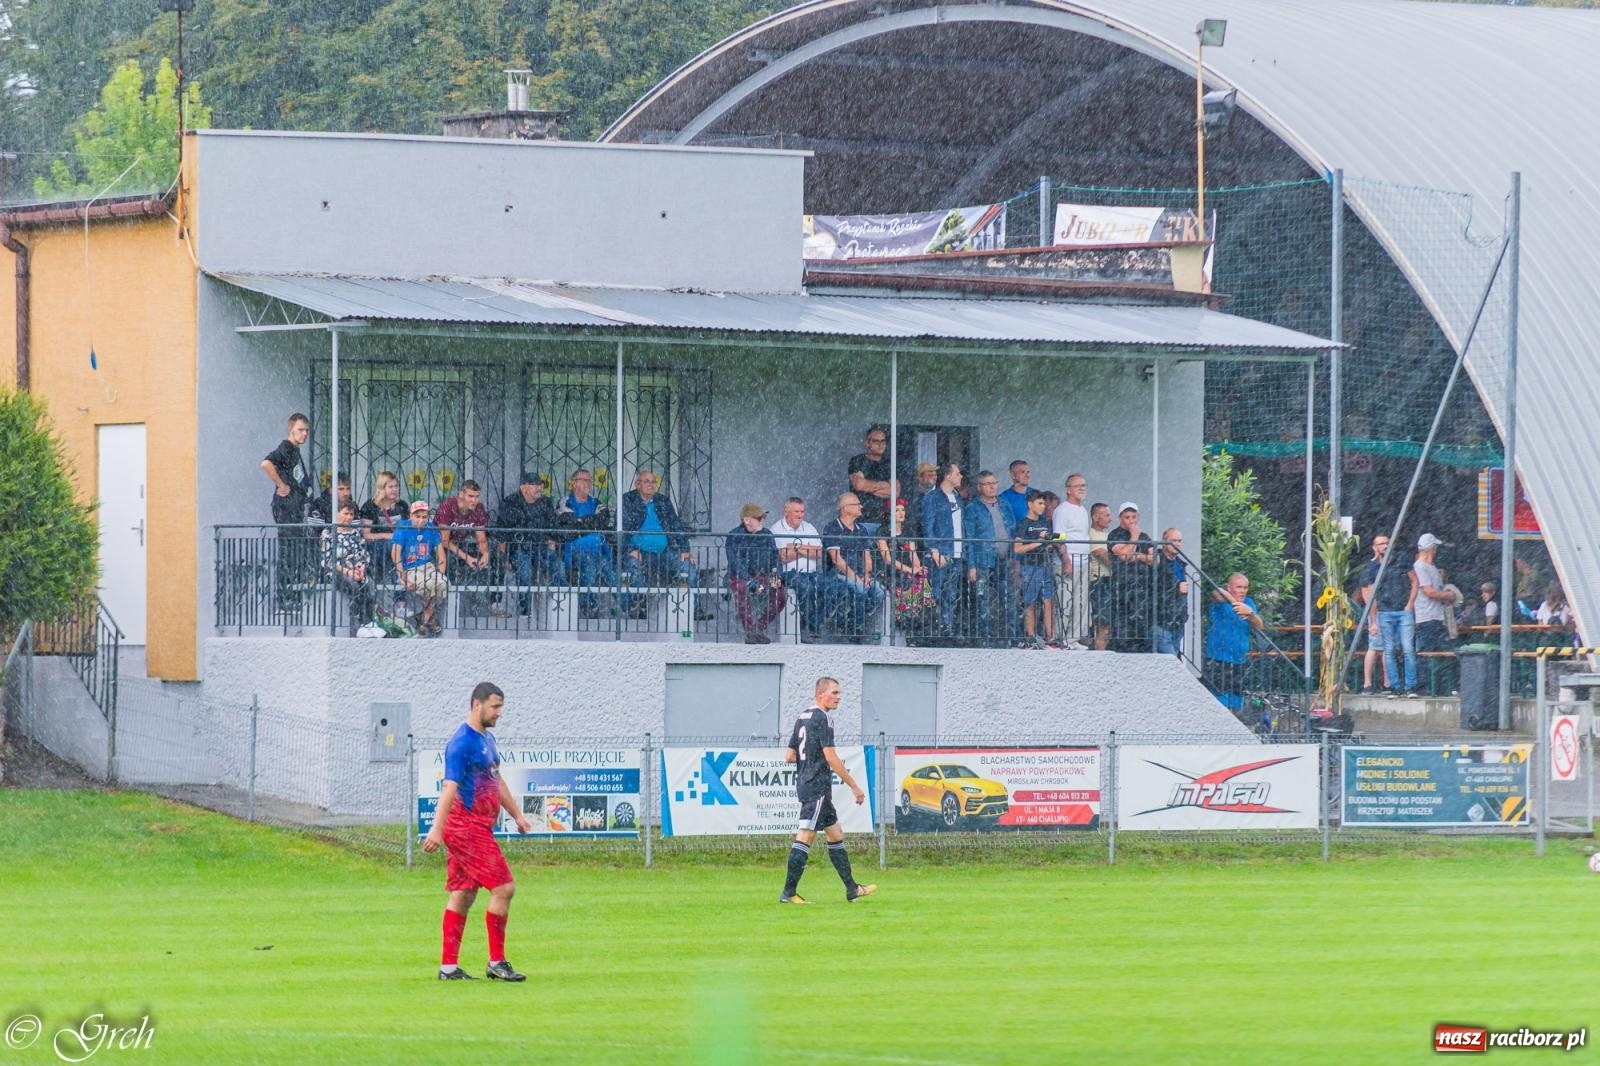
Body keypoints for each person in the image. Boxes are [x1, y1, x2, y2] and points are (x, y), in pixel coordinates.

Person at [423, 682, 533, 981]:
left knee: (464, 893)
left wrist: (518, 816)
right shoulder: (461, 743)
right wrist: (436, 828)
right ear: (477, 704)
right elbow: (449, 787)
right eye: (495, 707)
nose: (499, 713)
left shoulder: (487, 739)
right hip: (466, 828)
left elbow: (496, 782)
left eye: (501, 707)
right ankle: (496, 962)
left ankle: (448, 968)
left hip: (477, 826)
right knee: (504, 888)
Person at [778, 677, 876, 905]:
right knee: (806, 835)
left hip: (807, 782)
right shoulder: (824, 718)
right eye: (834, 692)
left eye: (839, 693)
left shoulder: (802, 716)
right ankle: (788, 893)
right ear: (821, 694)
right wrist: (854, 786)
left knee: (835, 834)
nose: (838, 697)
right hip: (817, 786)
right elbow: (831, 757)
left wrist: (809, 762)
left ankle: (852, 889)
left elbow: (790, 756)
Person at [621, 470, 696, 617]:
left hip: (664, 551)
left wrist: (684, 549)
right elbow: (622, 527)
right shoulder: (628, 500)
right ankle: (638, 607)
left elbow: (676, 525)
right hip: (639, 551)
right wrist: (631, 548)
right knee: (633, 568)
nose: (651, 485)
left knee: (687, 566)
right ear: (638, 484)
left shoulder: (663, 501)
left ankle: (691, 608)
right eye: (647, 481)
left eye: (653, 482)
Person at [261, 413, 315, 611]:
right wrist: (281, 484)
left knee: (295, 552)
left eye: (307, 430)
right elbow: (266, 463)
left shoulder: (295, 451)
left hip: (295, 507)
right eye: (301, 430)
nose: (304, 434)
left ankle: (292, 595)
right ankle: (285, 598)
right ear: (291, 429)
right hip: (286, 508)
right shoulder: (286, 447)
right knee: (288, 551)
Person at [493, 473, 562, 618]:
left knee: (557, 566)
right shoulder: (510, 503)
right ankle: (525, 611)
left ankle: (561, 608)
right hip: (518, 547)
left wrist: (551, 546)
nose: (539, 488)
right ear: (523, 487)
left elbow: (553, 528)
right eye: (535, 484)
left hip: (540, 547)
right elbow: (502, 533)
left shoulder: (545, 502)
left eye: (540, 484)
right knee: (525, 572)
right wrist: (505, 559)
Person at [821, 493, 884, 643]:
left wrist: (867, 575)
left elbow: (867, 556)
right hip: (838, 574)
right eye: (857, 504)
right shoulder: (832, 527)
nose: (861, 506)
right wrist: (855, 577)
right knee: (860, 590)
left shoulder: (861, 529)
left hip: (860, 575)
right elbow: (836, 559)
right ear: (846, 508)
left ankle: (850, 620)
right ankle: (856, 628)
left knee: (880, 592)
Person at [1362, 533, 1419, 697]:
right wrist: (1373, 620)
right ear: (1375, 548)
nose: (1385, 546)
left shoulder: (1401, 559)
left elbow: (1415, 581)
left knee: (1408, 649)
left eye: (1387, 543)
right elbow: (1370, 595)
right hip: (1384, 612)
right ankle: (1394, 686)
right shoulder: (1372, 567)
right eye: (1380, 544)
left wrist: (1409, 605)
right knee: (1389, 650)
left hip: (1403, 610)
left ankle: (1410, 687)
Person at [964, 470, 1016, 646]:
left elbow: (1012, 531)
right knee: (983, 601)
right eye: (987, 484)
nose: (992, 486)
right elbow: (969, 539)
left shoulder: (1005, 505)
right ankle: (985, 639)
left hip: (1005, 559)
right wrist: (972, 565)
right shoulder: (972, 508)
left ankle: (1010, 638)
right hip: (982, 561)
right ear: (979, 487)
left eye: (994, 482)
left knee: (1008, 600)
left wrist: (1015, 558)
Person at [557, 469, 618, 620]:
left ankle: (628, 606)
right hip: (573, 548)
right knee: (592, 559)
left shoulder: (596, 502)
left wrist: (581, 522)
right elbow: (568, 525)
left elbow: (603, 520)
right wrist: (590, 524)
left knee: (609, 572)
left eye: (589, 480)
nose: (587, 483)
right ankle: (590, 607)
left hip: (595, 551)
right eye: (583, 480)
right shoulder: (566, 501)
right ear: (573, 483)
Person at [725, 503, 786, 643]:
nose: (763, 520)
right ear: (747, 520)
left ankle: (760, 627)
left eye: (763, 517)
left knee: (781, 594)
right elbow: (735, 562)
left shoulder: (767, 534)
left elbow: (775, 559)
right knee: (742, 589)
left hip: (763, 577)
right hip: (740, 577)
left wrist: (776, 578)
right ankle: (750, 631)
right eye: (759, 518)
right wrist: (748, 580)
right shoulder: (735, 536)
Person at [919, 462, 966, 641]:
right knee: (936, 591)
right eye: (957, 473)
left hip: (957, 553)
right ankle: (934, 628)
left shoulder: (957, 497)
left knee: (952, 593)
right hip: (942, 552)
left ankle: (948, 627)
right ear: (948, 476)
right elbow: (928, 525)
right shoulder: (932, 498)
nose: (960, 476)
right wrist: (934, 549)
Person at [1204, 573, 1263, 712]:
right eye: (1239, 587)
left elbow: (1260, 625)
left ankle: (1233, 732)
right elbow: (1216, 591)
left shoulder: (1249, 603)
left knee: (1236, 704)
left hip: (1240, 661)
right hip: (1218, 659)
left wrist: (1250, 613)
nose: (1243, 591)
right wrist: (1237, 605)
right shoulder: (1220, 601)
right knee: (1219, 704)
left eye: (1245, 587)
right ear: (1229, 588)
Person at [771, 497, 825, 642]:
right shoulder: (776, 529)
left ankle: (815, 624)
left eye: (802, 511)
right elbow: (782, 556)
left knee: (828, 587)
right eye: (796, 511)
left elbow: (819, 552)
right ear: (786, 511)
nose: (800, 515)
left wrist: (795, 547)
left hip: (812, 573)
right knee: (805, 588)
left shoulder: (809, 527)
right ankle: (806, 627)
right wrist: (807, 548)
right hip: (789, 573)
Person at [877, 498, 932, 640]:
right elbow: (887, 558)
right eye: (897, 510)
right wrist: (909, 569)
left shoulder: (908, 531)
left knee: (922, 583)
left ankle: (918, 627)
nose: (901, 513)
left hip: (908, 572)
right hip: (891, 572)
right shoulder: (882, 532)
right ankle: (905, 623)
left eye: (902, 509)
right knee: (901, 588)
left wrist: (918, 568)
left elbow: (913, 554)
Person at [392, 499, 449, 636]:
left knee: (443, 584)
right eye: (417, 516)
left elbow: (441, 556)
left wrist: (440, 574)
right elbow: (395, 554)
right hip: (409, 568)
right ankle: (428, 619)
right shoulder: (403, 526)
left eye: (424, 517)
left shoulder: (431, 528)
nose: (421, 520)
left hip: (428, 567)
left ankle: (423, 619)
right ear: (411, 515)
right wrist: (402, 575)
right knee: (427, 586)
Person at [437, 480, 493, 616]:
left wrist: (485, 553)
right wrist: (467, 558)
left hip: (462, 544)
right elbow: (444, 541)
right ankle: (447, 605)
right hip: (440, 546)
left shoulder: (479, 508)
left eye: (476, 496)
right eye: (470, 496)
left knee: (492, 561)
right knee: (452, 562)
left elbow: (481, 537)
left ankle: (488, 603)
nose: (474, 500)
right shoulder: (448, 506)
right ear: (461, 494)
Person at [1105, 502, 1155, 652]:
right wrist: (1134, 537)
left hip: (1142, 590)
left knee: (1141, 628)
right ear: (1120, 518)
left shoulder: (1144, 536)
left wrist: (1138, 556)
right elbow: (1124, 555)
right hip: (1121, 589)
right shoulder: (1114, 535)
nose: (1131, 521)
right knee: (1122, 628)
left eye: (1134, 517)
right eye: (1127, 517)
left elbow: (1155, 559)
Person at [321, 502, 375, 635]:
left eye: (351, 514)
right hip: (337, 572)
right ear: (337, 514)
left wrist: (361, 569)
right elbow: (327, 561)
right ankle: (357, 625)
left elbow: (363, 555)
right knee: (354, 587)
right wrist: (348, 571)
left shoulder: (356, 533)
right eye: (346, 513)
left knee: (369, 585)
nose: (349, 517)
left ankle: (368, 622)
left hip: (356, 570)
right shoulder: (328, 533)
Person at [1013, 490, 1058, 649]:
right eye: (1039, 503)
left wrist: (1051, 543)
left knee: (1048, 601)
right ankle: (1030, 636)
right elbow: (1017, 548)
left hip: (1044, 565)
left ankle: (1051, 637)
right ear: (1030, 504)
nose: (1043, 506)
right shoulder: (1023, 524)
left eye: (1044, 503)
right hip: (1029, 567)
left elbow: (1049, 542)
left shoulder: (1044, 522)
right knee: (1030, 602)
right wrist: (1038, 542)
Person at [1053, 473, 1091, 650]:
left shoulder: (1083, 510)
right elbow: (1059, 538)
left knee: (1080, 601)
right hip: (1068, 562)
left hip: (1083, 561)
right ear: (1068, 490)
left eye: (1084, 485)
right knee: (1065, 600)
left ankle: (1073, 639)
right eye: (1078, 486)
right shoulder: (1062, 510)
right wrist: (1066, 560)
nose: (1082, 488)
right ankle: (1060, 637)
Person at [359, 470, 408, 577]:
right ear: (382, 488)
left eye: (396, 486)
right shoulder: (370, 506)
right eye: (390, 487)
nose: (394, 490)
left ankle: (400, 581)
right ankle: (396, 578)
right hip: (376, 546)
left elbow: (407, 529)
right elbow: (366, 535)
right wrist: (387, 536)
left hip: (398, 544)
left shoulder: (402, 505)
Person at [1151, 528, 1190, 656]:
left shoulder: (1179, 563)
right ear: (1164, 543)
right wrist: (1176, 588)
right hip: (1161, 622)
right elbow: (1154, 585)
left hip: (1177, 621)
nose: (1177, 544)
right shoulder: (1156, 560)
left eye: (1179, 541)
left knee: (1171, 663)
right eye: (1173, 540)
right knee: (1172, 662)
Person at [846, 426, 894, 530]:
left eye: (883, 441)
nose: (880, 444)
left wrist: (867, 485)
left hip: (884, 521)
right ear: (867, 443)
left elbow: (895, 492)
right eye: (876, 441)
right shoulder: (858, 460)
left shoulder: (889, 463)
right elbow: (859, 485)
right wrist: (884, 486)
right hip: (860, 519)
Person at [1087, 502, 1114, 650]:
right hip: (1099, 583)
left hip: (1110, 583)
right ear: (1096, 517)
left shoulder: (1108, 535)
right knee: (1102, 624)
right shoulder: (1092, 535)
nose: (1110, 518)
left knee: (1108, 625)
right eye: (1106, 515)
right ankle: (1098, 656)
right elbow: (1107, 560)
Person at [901, 462, 939, 540]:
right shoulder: (911, 495)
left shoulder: (938, 495)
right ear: (920, 478)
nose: (934, 478)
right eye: (930, 475)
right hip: (915, 537)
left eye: (935, 475)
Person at [998, 459, 1032, 525]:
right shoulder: (1003, 499)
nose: (1027, 475)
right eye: (1022, 472)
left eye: (1028, 472)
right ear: (1013, 475)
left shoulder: (1037, 494)